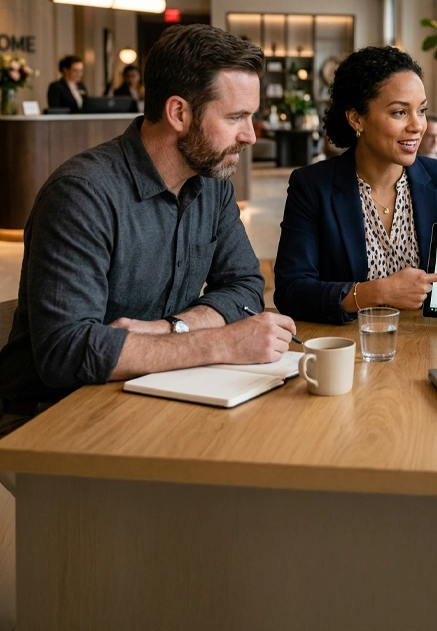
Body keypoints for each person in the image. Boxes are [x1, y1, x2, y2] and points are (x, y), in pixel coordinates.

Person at [0, 24, 295, 437]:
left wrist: (170, 329)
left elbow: (245, 287)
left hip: (154, 391)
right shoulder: (82, 195)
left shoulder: (213, 186)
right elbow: (65, 353)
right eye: (235, 117)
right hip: (54, 415)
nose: (249, 135)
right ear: (178, 113)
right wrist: (222, 342)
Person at [273, 47, 437, 324]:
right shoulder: (312, 187)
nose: (418, 126)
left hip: (432, 342)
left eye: (422, 110)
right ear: (357, 118)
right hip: (354, 348)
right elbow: (291, 292)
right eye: (400, 112)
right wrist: (378, 292)